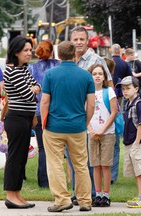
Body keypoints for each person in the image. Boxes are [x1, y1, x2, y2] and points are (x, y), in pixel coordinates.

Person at [40, 41, 95, 212]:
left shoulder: (50, 74)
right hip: (77, 126)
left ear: (58, 55)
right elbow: (92, 105)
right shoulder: (86, 76)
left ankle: (62, 199)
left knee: (55, 163)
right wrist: (85, 122)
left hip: (54, 126)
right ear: (74, 55)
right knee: (80, 164)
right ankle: (85, 200)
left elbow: (44, 102)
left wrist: (44, 123)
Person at [69, 26, 114, 204]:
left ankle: (96, 194)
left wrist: (111, 107)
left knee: (90, 159)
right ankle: (78, 192)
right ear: (71, 41)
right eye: (75, 39)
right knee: (74, 156)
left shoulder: (96, 60)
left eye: (82, 39)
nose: (78, 42)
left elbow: (109, 82)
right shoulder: (68, 60)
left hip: (94, 116)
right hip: (72, 112)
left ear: (87, 41)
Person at [3, 36, 40, 209]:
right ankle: (11, 195)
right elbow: (29, 95)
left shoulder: (23, 70)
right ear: (16, 52)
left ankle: (17, 194)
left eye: (30, 50)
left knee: (21, 159)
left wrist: (34, 89)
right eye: (25, 50)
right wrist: (33, 90)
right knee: (15, 158)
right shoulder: (11, 71)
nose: (29, 53)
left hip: (25, 118)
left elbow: (37, 86)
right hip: (16, 118)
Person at [28, 40, 60, 188]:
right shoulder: (58, 66)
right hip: (55, 110)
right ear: (52, 51)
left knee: (42, 148)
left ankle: (43, 181)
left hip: (37, 112)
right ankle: (55, 179)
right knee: (55, 149)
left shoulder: (31, 68)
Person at [115, 76, 141, 208]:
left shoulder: (139, 105)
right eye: (123, 89)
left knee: (140, 169)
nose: (125, 91)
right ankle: (140, 195)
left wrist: (136, 142)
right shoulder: (129, 104)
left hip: (136, 143)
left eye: (128, 88)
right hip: (129, 142)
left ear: (136, 89)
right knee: (136, 170)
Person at [88, 63, 117, 207]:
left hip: (107, 133)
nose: (97, 76)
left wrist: (103, 129)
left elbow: (114, 112)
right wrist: (91, 130)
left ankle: (106, 195)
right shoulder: (87, 92)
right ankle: (97, 194)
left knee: (105, 165)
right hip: (92, 133)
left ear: (104, 76)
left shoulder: (109, 91)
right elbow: (83, 112)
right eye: (94, 74)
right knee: (96, 165)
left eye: (100, 73)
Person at [103, 57, 120, 184]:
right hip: (112, 122)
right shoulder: (115, 84)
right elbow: (118, 102)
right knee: (115, 148)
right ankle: (112, 176)